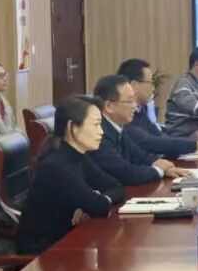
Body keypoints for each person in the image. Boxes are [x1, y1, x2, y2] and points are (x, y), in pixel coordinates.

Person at [18, 96, 125, 255]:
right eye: (96, 125)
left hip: (68, 242)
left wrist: (91, 202)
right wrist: (92, 202)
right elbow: (98, 206)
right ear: (72, 127)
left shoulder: (78, 155)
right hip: (43, 255)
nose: (101, 132)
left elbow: (117, 187)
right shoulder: (56, 165)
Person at [91, 75, 194, 186]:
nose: (134, 106)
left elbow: (139, 156)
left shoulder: (117, 127)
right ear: (109, 106)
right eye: (129, 101)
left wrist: (159, 164)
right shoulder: (98, 133)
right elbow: (126, 173)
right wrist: (159, 170)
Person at [117, 58, 198, 157]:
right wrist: (195, 146)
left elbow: (160, 137)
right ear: (134, 85)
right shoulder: (124, 115)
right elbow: (151, 143)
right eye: (150, 82)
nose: (153, 88)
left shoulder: (140, 110)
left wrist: (192, 144)